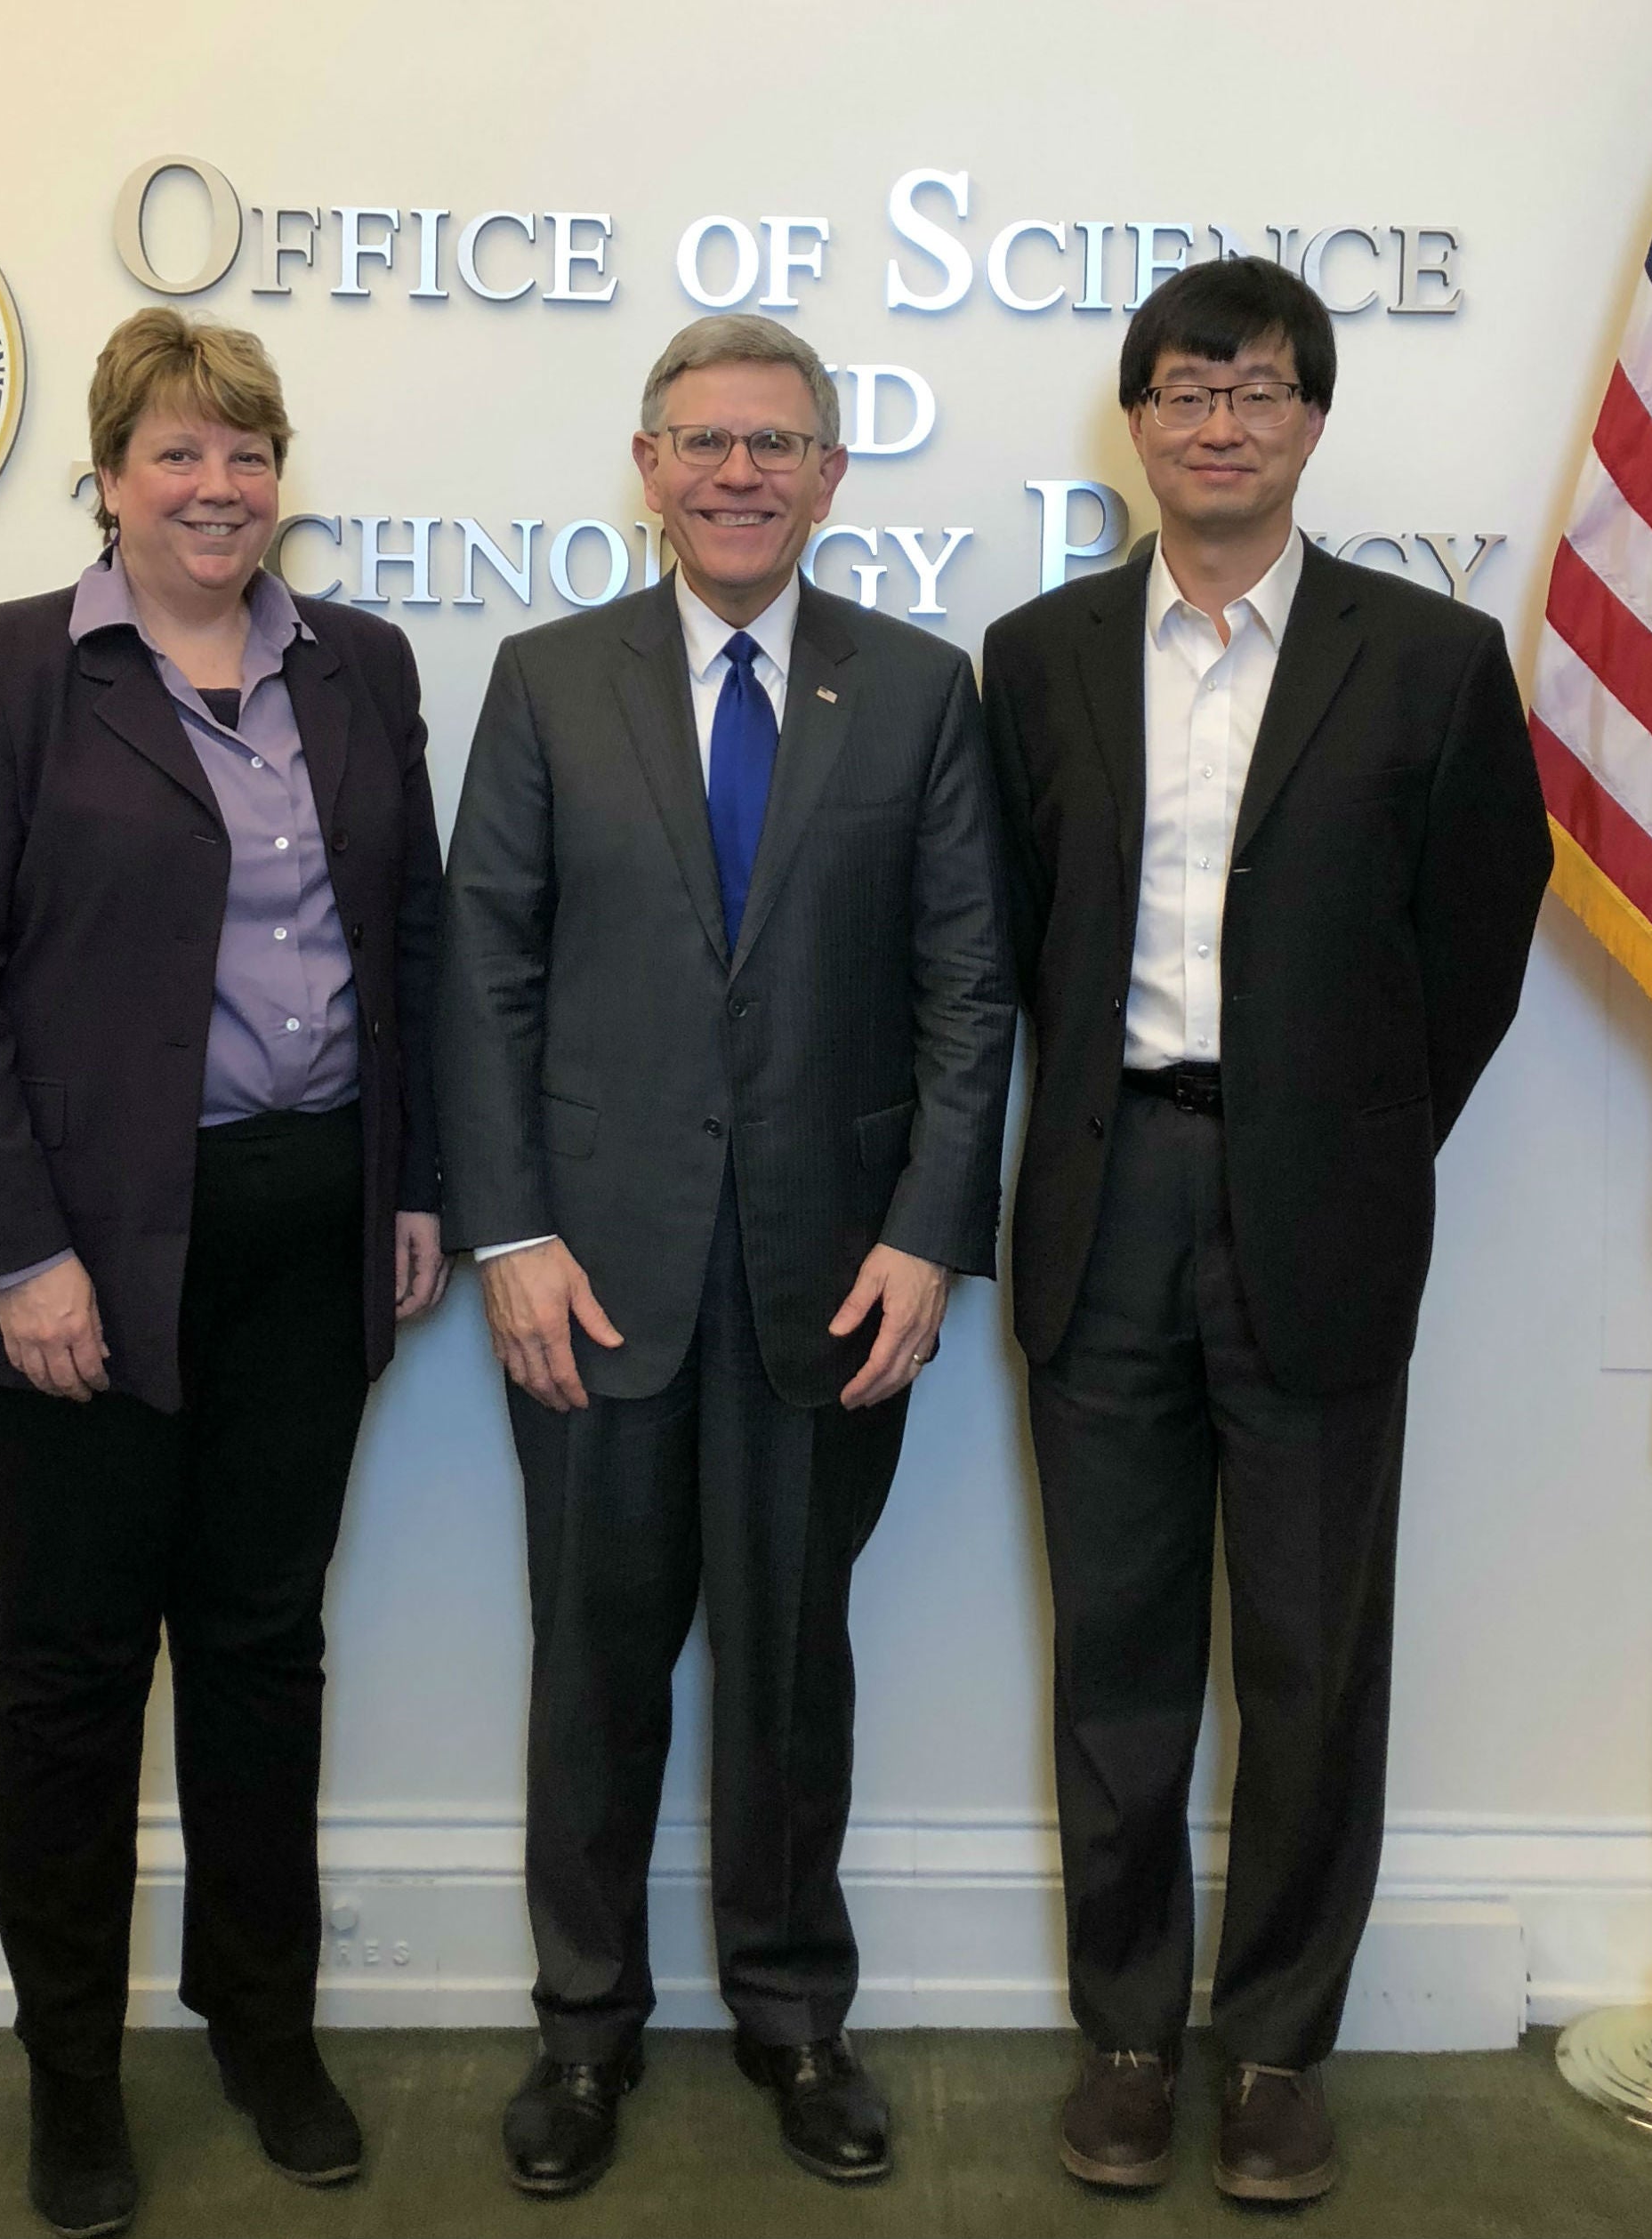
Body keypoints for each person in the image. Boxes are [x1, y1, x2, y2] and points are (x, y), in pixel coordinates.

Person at [983, 258, 1551, 2203]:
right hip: (1101, 1195)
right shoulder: (1036, 653)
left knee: (1310, 1657)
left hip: (1312, 1207)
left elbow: (1474, 937)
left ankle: (1277, 2045)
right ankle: (1131, 2034)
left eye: (1257, 390)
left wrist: (1355, 1132)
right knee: (1117, 1651)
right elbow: (1006, 934)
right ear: (1132, 422)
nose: (1217, 422)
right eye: (1181, 390)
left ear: (1311, 421)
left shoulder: (1426, 658)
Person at [0, 308, 446, 2238]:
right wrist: (18, 1244)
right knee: (72, 1667)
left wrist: (414, 1182)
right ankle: (72, 2071)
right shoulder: (6, 672)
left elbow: (415, 945)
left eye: (248, 451)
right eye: (178, 454)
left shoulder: (359, 664)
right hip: (83, 1253)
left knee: (264, 1644)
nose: (219, 488)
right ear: (107, 475)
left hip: (308, 1233)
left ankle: (262, 2024)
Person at [435, 313, 1013, 2195]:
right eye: (702, 441)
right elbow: (485, 974)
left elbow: (963, 991)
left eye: (774, 443)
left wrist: (930, 1232)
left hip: (825, 1285)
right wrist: (509, 1232)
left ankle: (791, 2015)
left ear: (830, 473)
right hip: (586, 1280)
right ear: (646, 461)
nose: (737, 472)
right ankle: (583, 2030)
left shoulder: (918, 692)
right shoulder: (544, 679)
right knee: (590, 1664)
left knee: (788, 1667)